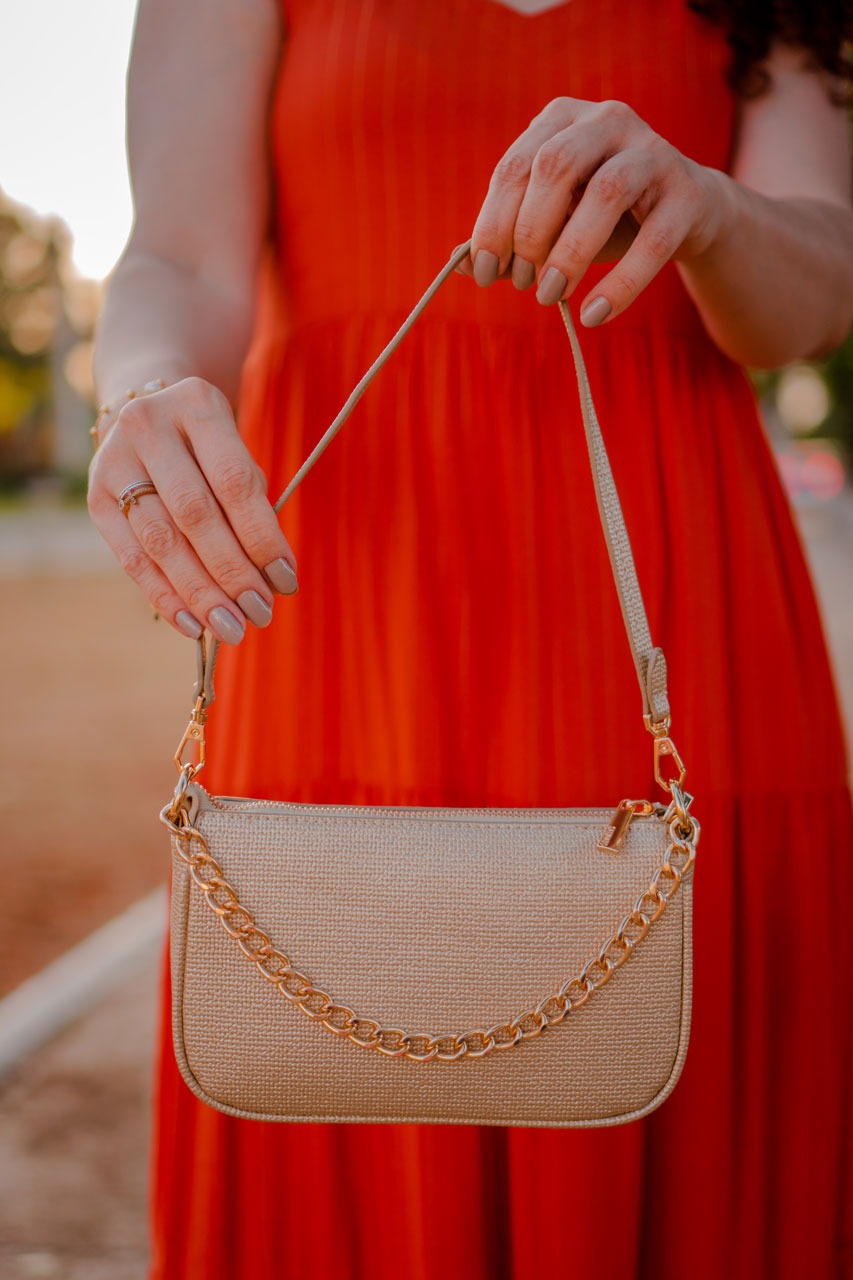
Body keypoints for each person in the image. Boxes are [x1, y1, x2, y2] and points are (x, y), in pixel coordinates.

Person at [88, 0, 853, 1275]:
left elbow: (806, 299)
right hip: (345, 613)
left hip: (673, 602)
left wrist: (706, 208)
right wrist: (148, 387)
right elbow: (179, 258)